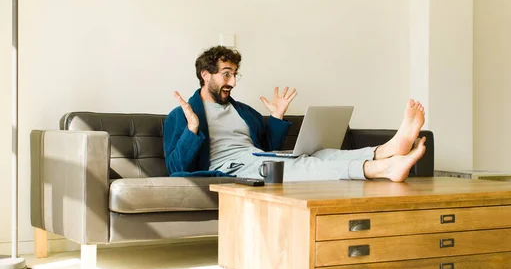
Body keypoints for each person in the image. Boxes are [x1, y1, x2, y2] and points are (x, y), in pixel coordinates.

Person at [164, 46, 426, 182]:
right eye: (226, 74)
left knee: (319, 154)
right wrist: (193, 128)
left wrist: (277, 118)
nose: (233, 82)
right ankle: (380, 168)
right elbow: (176, 168)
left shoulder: (242, 111)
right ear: (205, 74)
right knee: (301, 165)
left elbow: (267, 148)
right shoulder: (182, 115)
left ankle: (387, 149)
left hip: (257, 160)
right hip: (232, 169)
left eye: (235, 74)